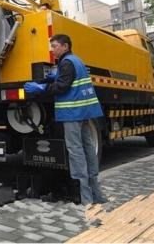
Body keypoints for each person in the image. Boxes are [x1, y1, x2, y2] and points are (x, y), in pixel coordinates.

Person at [24, 34, 108, 211]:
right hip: (84, 112)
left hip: (72, 113)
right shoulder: (75, 60)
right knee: (87, 148)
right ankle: (97, 193)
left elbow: (62, 87)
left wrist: (41, 88)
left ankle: (85, 198)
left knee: (75, 150)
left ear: (65, 46)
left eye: (55, 46)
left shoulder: (67, 62)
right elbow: (67, 80)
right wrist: (54, 77)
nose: (52, 50)